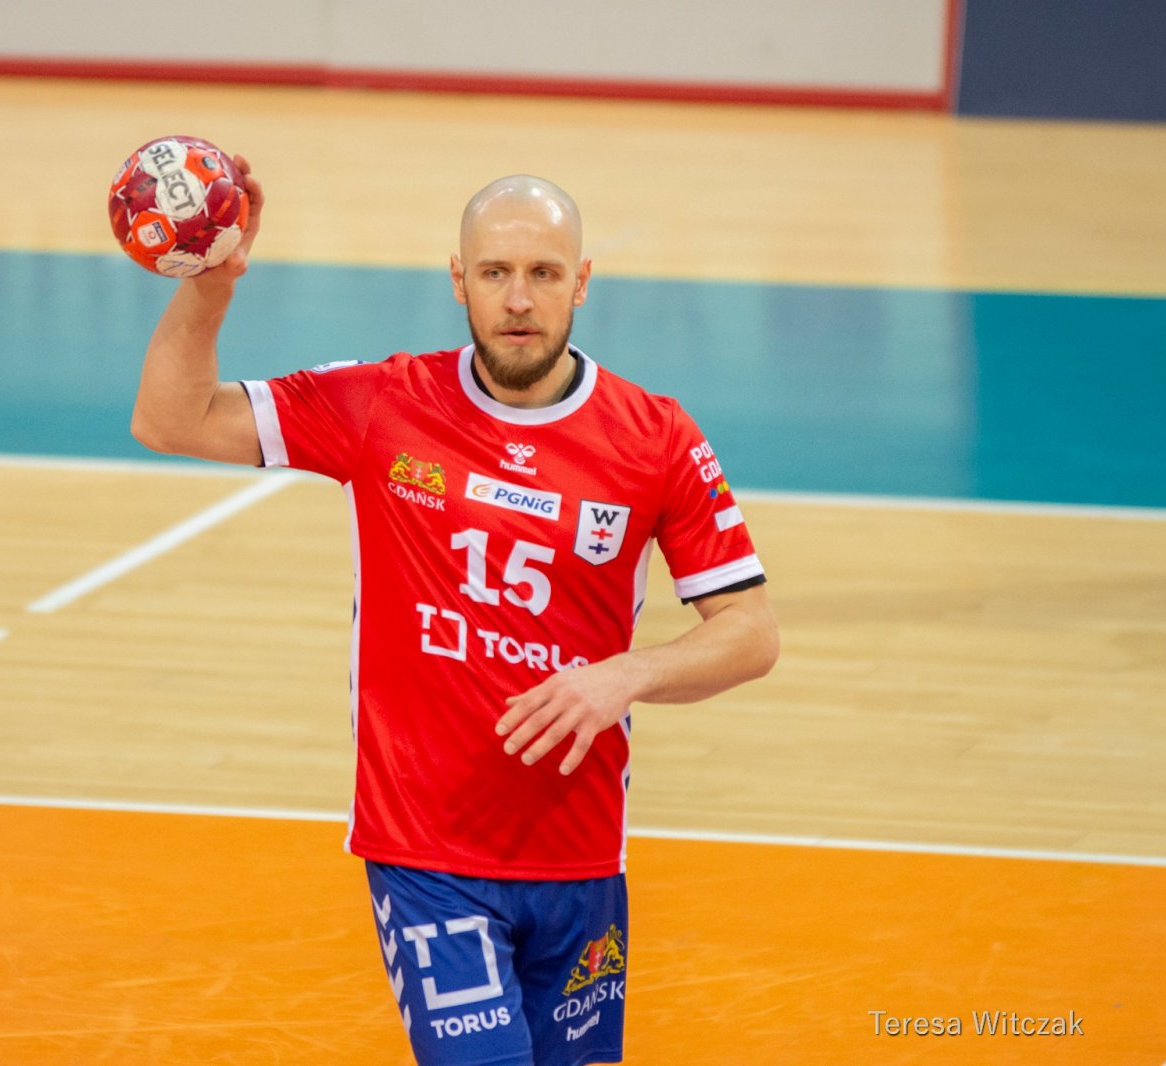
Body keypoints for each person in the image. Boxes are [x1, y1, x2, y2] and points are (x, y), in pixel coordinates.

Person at [132, 160, 780, 1066]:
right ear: (457, 279)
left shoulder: (655, 437)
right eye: (494, 272)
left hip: (581, 862)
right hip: (426, 854)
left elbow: (750, 633)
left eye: (544, 273)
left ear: (581, 282)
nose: (518, 299)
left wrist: (625, 676)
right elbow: (172, 421)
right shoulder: (384, 403)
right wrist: (212, 285)